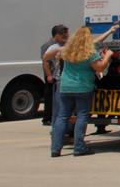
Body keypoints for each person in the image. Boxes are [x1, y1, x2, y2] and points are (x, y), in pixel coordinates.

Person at [46, 26, 115, 156]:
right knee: (82, 116)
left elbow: (46, 56)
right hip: (83, 88)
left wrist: (57, 50)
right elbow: (100, 68)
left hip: (65, 87)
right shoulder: (89, 53)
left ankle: (55, 149)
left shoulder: (67, 50)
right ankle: (79, 147)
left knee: (62, 116)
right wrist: (108, 56)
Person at [40, 24, 68, 126]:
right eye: (62, 34)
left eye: (66, 33)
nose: (65, 35)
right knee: (50, 98)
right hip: (52, 75)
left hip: (58, 76)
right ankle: (47, 118)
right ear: (56, 35)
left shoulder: (63, 45)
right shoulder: (48, 46)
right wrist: (49, 75)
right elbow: (45, 61)